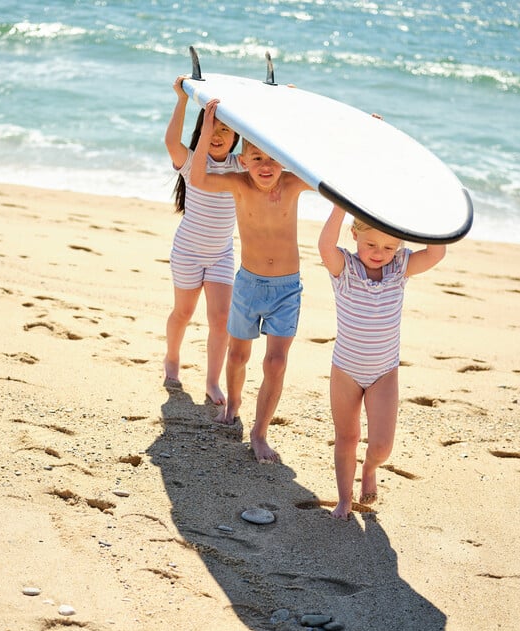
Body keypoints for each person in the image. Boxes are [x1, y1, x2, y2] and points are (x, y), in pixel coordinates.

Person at [190, 98, 312, 463]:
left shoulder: (292, 184)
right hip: (247, 285)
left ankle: (259, 433)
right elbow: (196, 177)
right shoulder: (238, 184)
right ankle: (234, 404)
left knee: (275, 363)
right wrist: (209, 128)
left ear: (284, 161)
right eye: (257, 158)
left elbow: (333, 174)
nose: (266, 166)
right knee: (239, 354)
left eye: (273, 158)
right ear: (243, 161)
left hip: (287, 288)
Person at [318, 204, 446, 519]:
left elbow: (436, 254)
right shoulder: (344, 269)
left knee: (382, 446)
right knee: (347, 438)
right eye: (371, 244)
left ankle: (370, 467)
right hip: (346, 369)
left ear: (400, 245)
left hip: (383, 373)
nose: (379, 252)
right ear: (355, 235)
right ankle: (345, 500)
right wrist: (338, 206)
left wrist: (432, 211)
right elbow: (324, 246)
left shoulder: (399, 267)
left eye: (389, 246)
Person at [163, 76, 243, 405]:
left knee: (221, 320)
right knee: (183, 312)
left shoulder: (241, 167)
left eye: (227, 129)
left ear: (238, 137)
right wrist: (181, 99)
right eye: (214, 127)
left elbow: (271, 156)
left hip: (222, 254)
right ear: (203, 129)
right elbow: (170, 142)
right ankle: (171, 358)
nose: (219, 135)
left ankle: (212, 382)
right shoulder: (193, 164)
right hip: (187, 252)